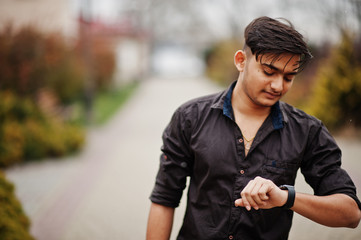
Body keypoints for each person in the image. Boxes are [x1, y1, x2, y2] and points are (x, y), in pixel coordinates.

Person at [146, 16, 361, 240]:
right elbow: (164, 199)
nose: (278, 85)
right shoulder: (190, 118)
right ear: (241, 61)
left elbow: (351, 214)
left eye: (289, 77)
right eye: (269, 72)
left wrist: (285, 198)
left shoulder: (307, 130)